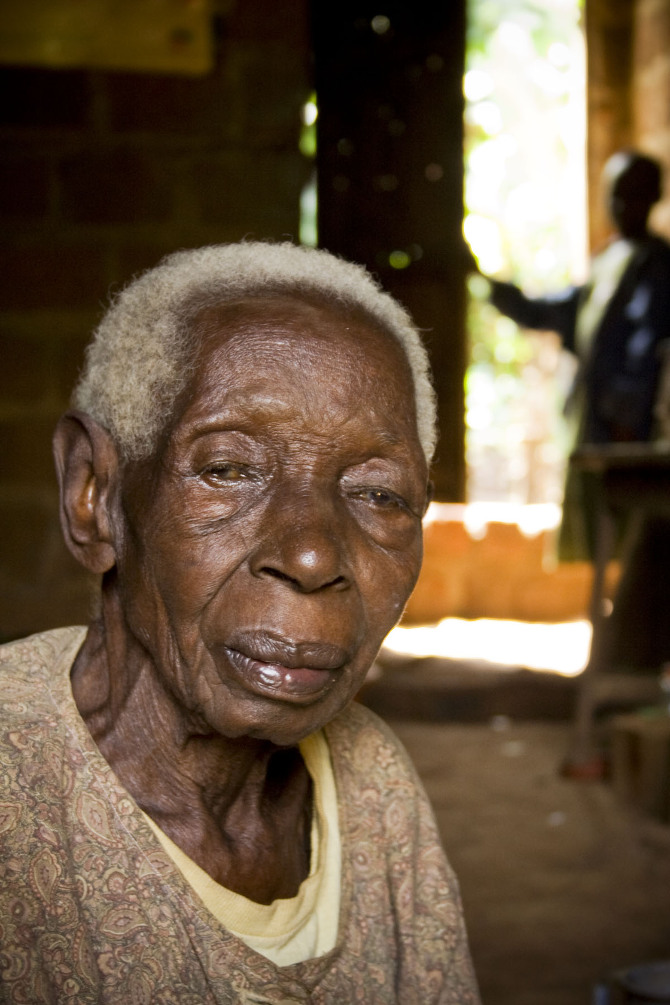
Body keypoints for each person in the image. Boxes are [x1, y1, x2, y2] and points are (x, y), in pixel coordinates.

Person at [0, 241, 480, 1003]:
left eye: (380, 495)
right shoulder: (13, 797)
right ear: (94, 496)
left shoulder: (376, 787)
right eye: (228, 469)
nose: (315, 553)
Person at [486, 150, 670, 559]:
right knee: (600, 533)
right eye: (617, 196)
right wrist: (494, 288)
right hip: (595, 420)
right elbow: (552, 312)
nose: (624, 206)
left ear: (654, 197)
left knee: (634, 534)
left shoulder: (657, 265)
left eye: (636, 195)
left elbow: (648, 350)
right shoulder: (608, 260)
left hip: (629, 429)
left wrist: (626, 415)